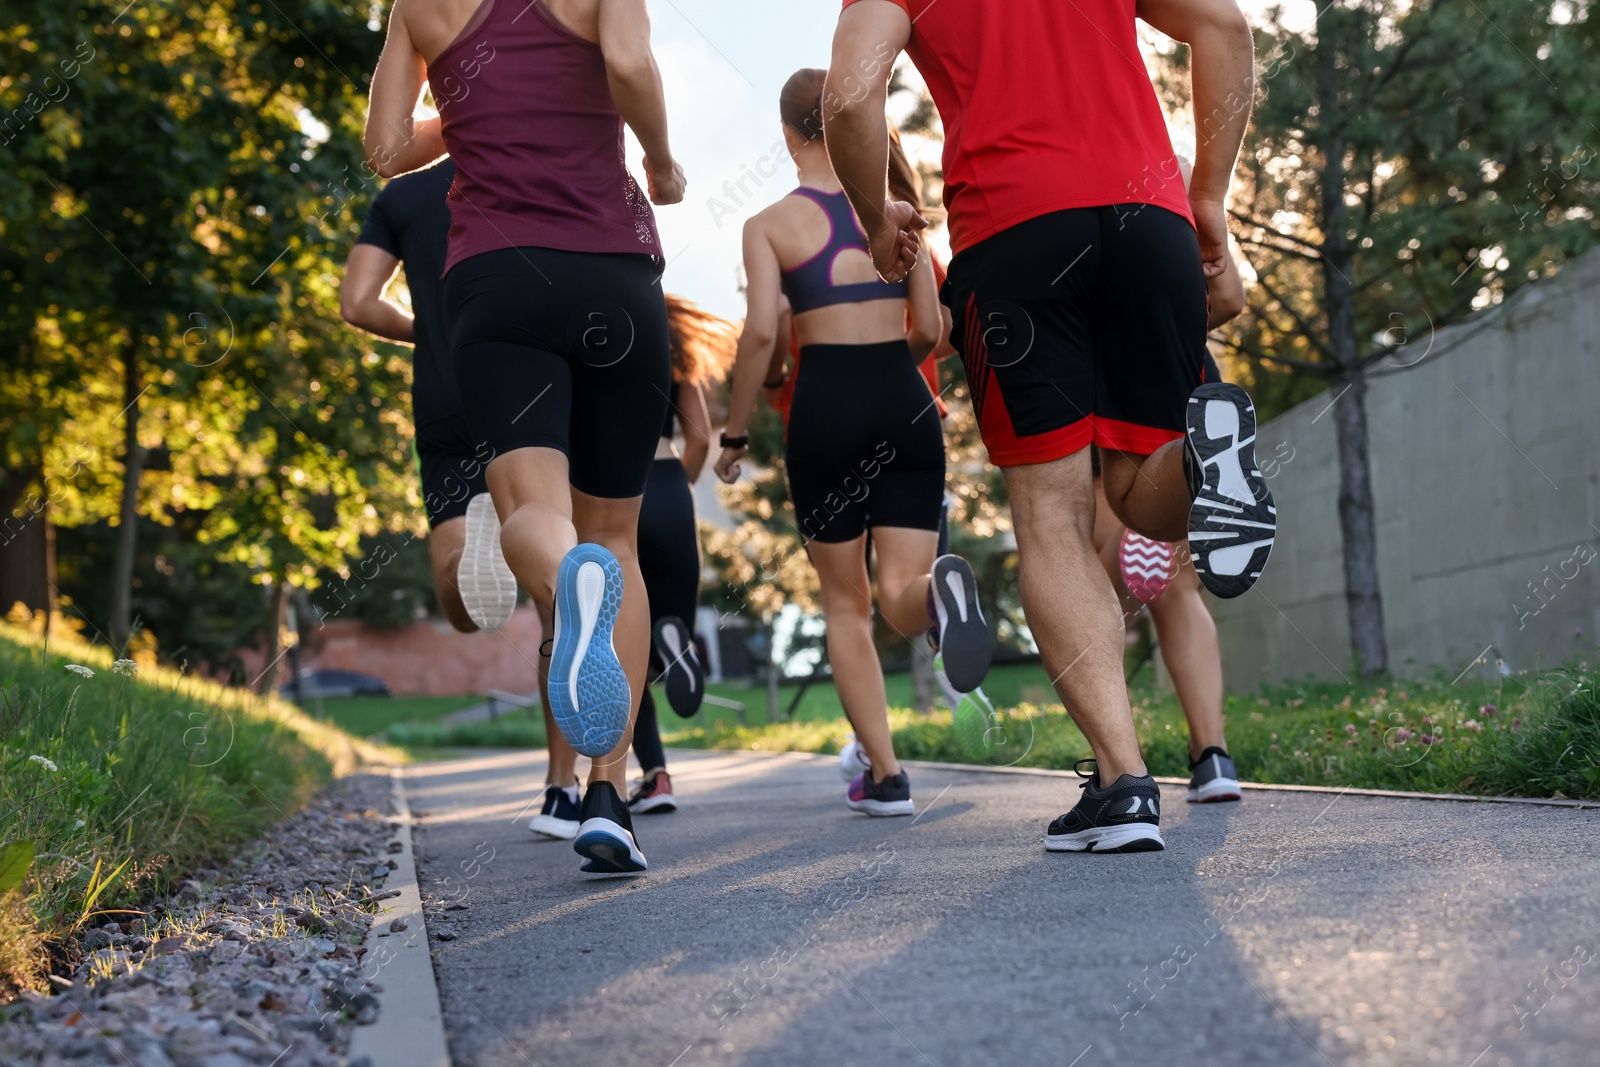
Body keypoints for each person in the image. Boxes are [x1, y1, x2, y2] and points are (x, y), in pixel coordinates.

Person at [825, 0, 1269, 852]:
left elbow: (849, 98)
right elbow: (1225, 27)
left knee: (1053, 519)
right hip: (1152, 219)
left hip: (1017, 227)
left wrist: (876, 212)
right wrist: (1206, 195)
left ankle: (1126, 783)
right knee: (1141, 494)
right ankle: (1209, 460)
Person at [365, 0, 685, 874]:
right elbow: (628, 64)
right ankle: (609, 795)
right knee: (617, 538)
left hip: (497, 282)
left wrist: (466, 114)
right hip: (614, 272)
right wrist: (659, 160)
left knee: (535, 509)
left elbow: (386, 151)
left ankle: (564, 578)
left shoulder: (420, 9)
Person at [716, 68, 994, 818]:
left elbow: (763, 337)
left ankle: (888, 775)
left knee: (847, 605)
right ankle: (939, 598)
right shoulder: (898, 212)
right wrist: (888, 381)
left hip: (825, 408)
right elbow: (932, 332)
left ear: (786, 133)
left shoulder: (770, 225)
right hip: (907, 403)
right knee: (904, 591)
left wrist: (735, 433)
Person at [339, 158, 519, 635]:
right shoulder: (524, 167)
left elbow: (357, 303)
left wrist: (433, 332)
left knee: (463, 614)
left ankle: (467, 563)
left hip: (444, 396)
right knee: (554, 615)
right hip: (527, 392)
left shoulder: (399, 196)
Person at [626, 295, 735, 815]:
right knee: (667, 627)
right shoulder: (669, 344)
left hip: (612, 489)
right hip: (669, 483)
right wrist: (673, 494)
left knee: (623, 648)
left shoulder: (581, 328)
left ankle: (655, 776)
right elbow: (697, 440)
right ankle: (674, 641)